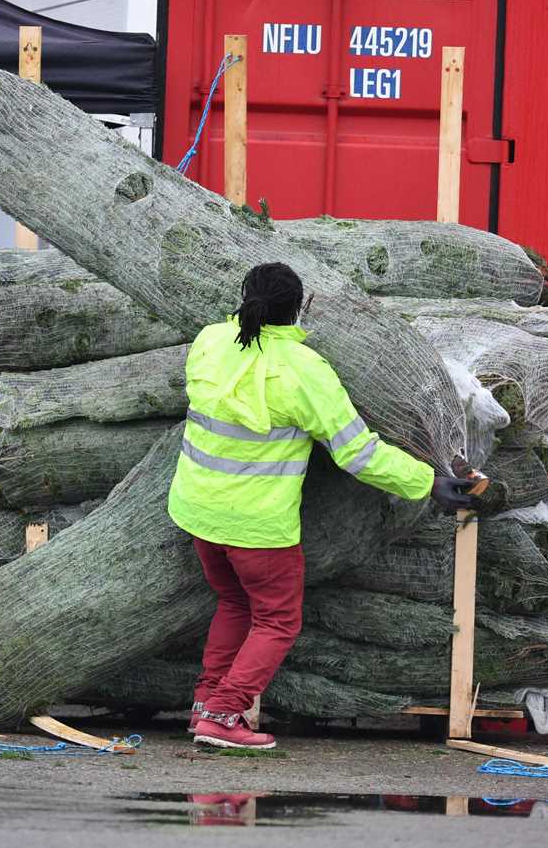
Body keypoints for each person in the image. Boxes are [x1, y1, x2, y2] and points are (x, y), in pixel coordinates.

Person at [167, 262, 477, 750]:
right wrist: (426, 482)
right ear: (300, 308)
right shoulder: (305, 371)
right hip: (258, 528)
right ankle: (224, 716)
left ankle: (206, 705)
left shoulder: (209, 341)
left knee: (234, 602)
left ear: (246, 298)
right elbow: (358, 452)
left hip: (198, 513)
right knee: (277, 620)